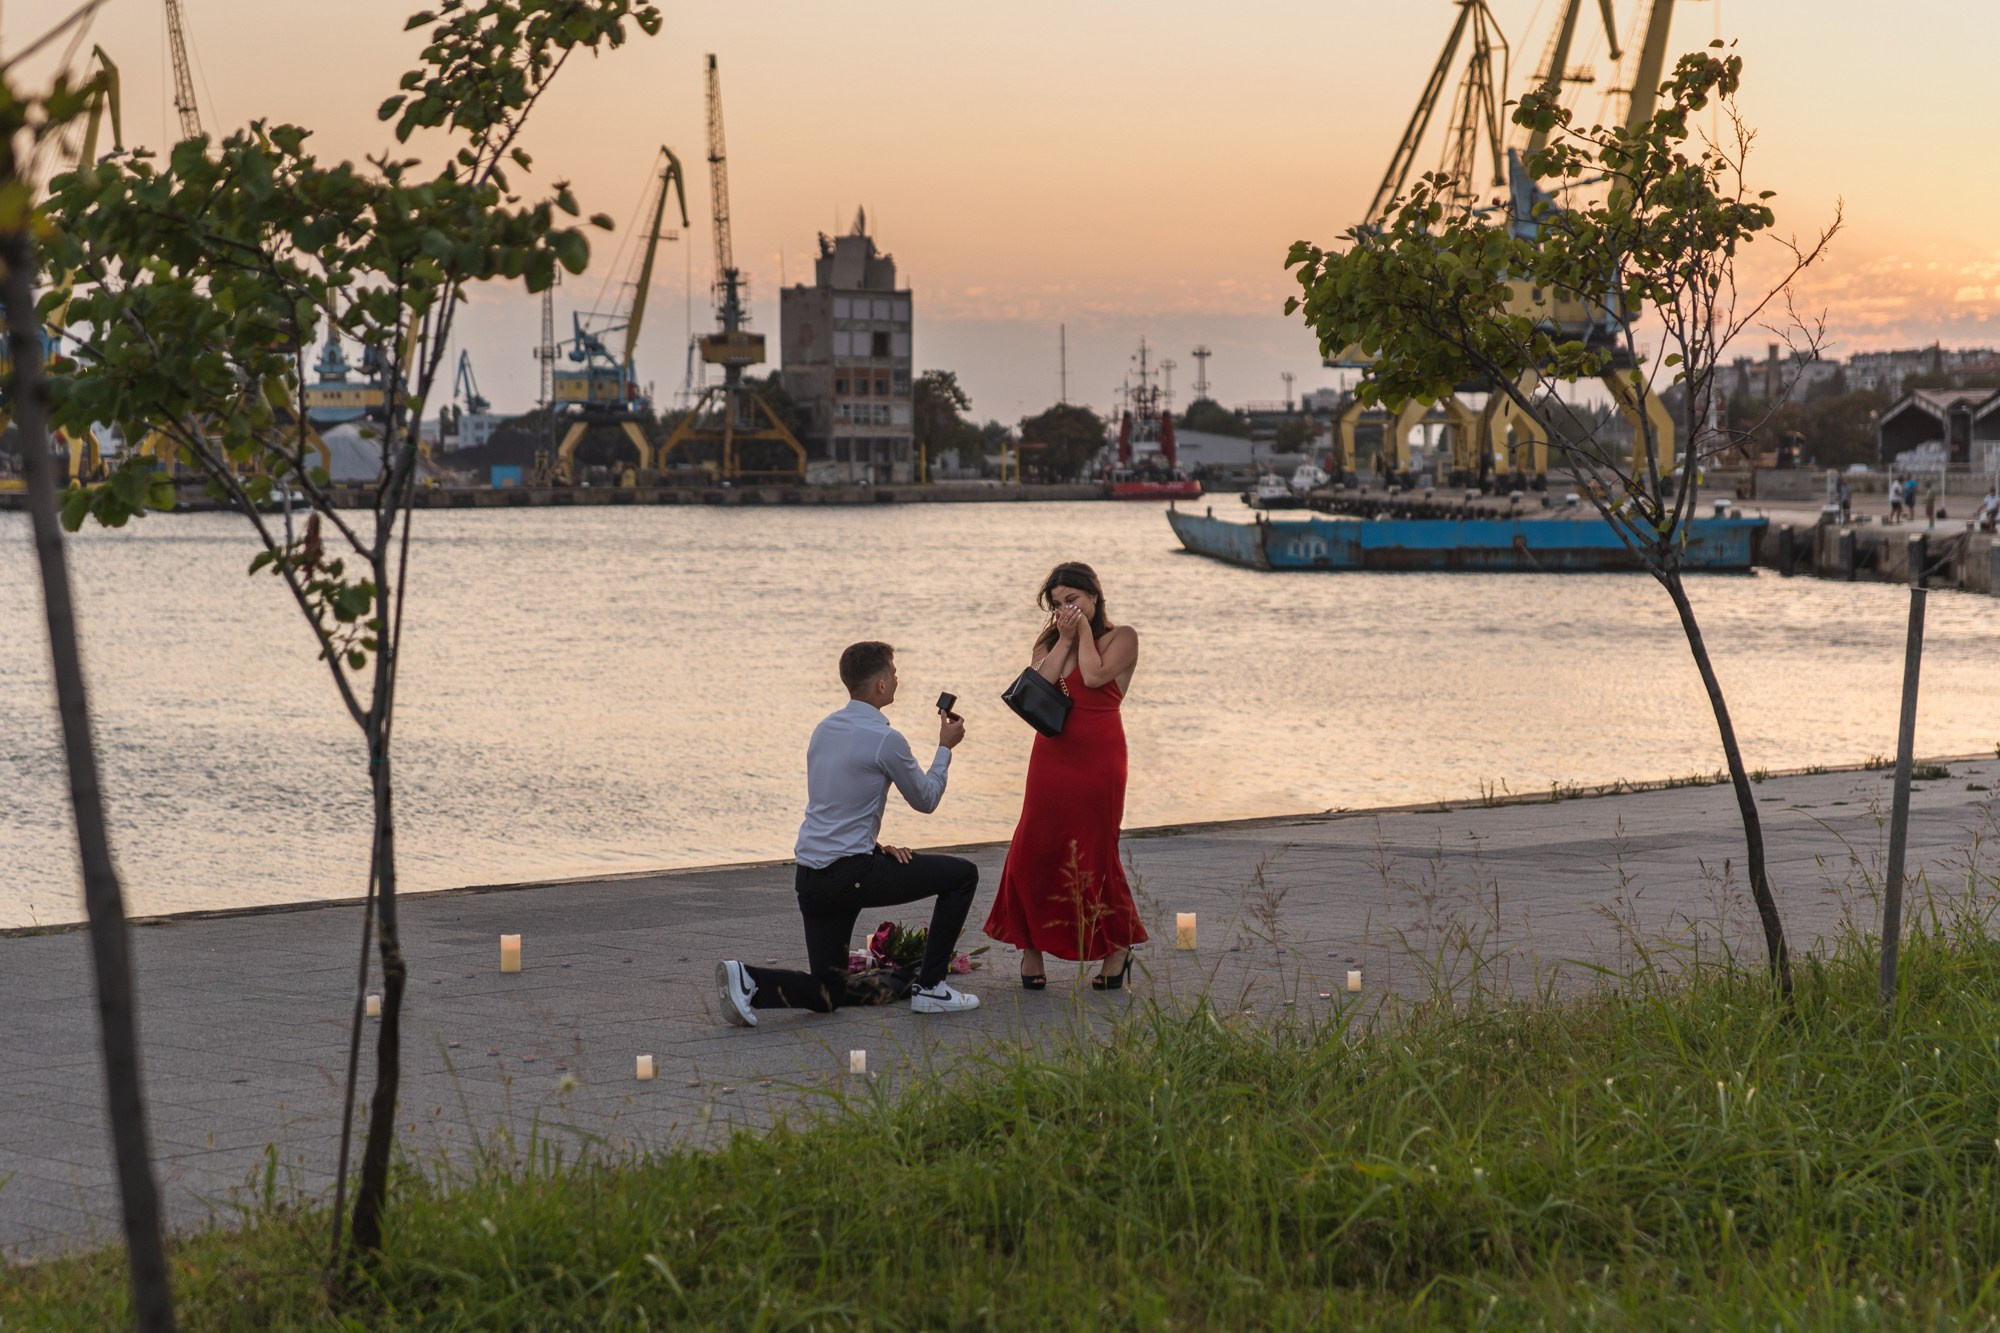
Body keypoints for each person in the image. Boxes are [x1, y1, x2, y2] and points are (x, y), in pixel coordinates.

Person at [717, 641, 980, 1025]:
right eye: (892, 672)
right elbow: (925, 800)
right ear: (879, 685)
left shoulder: (824, 729)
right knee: (962, 876)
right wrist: (945, 748)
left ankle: (750, 980)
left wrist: (874, 847)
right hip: (850, 875)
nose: (896, 678)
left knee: (828, 993)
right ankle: (932, 988)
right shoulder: (886, 739)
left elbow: (834, 806)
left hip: (811, 877)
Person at [983, 562, 1147, 990]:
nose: (1064, 610)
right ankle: (1030, 949)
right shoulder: (1051, 641)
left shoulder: (1122, 637)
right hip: (1052, 755)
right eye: (1057, 604)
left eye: (1071, 600)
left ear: (1094, 596)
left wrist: (1085, 634)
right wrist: (1065, 640)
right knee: (1032, 848)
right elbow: (1038, 685)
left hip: (1100, 757)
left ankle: (1117, 951)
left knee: (1095, 853)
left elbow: (1093, 677)